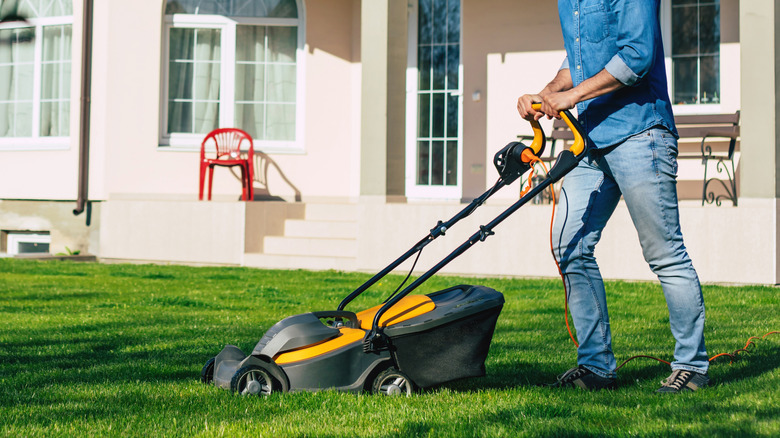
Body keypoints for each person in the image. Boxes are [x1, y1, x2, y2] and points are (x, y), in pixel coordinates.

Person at [517, 0, 708, 393]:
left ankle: (692, 366)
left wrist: (570, 98)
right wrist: (546, 94)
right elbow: (579, 61)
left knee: (664, 253)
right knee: (568, 243)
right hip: (591, 142)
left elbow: (637, 57)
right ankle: (596, 367)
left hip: (640, 133)